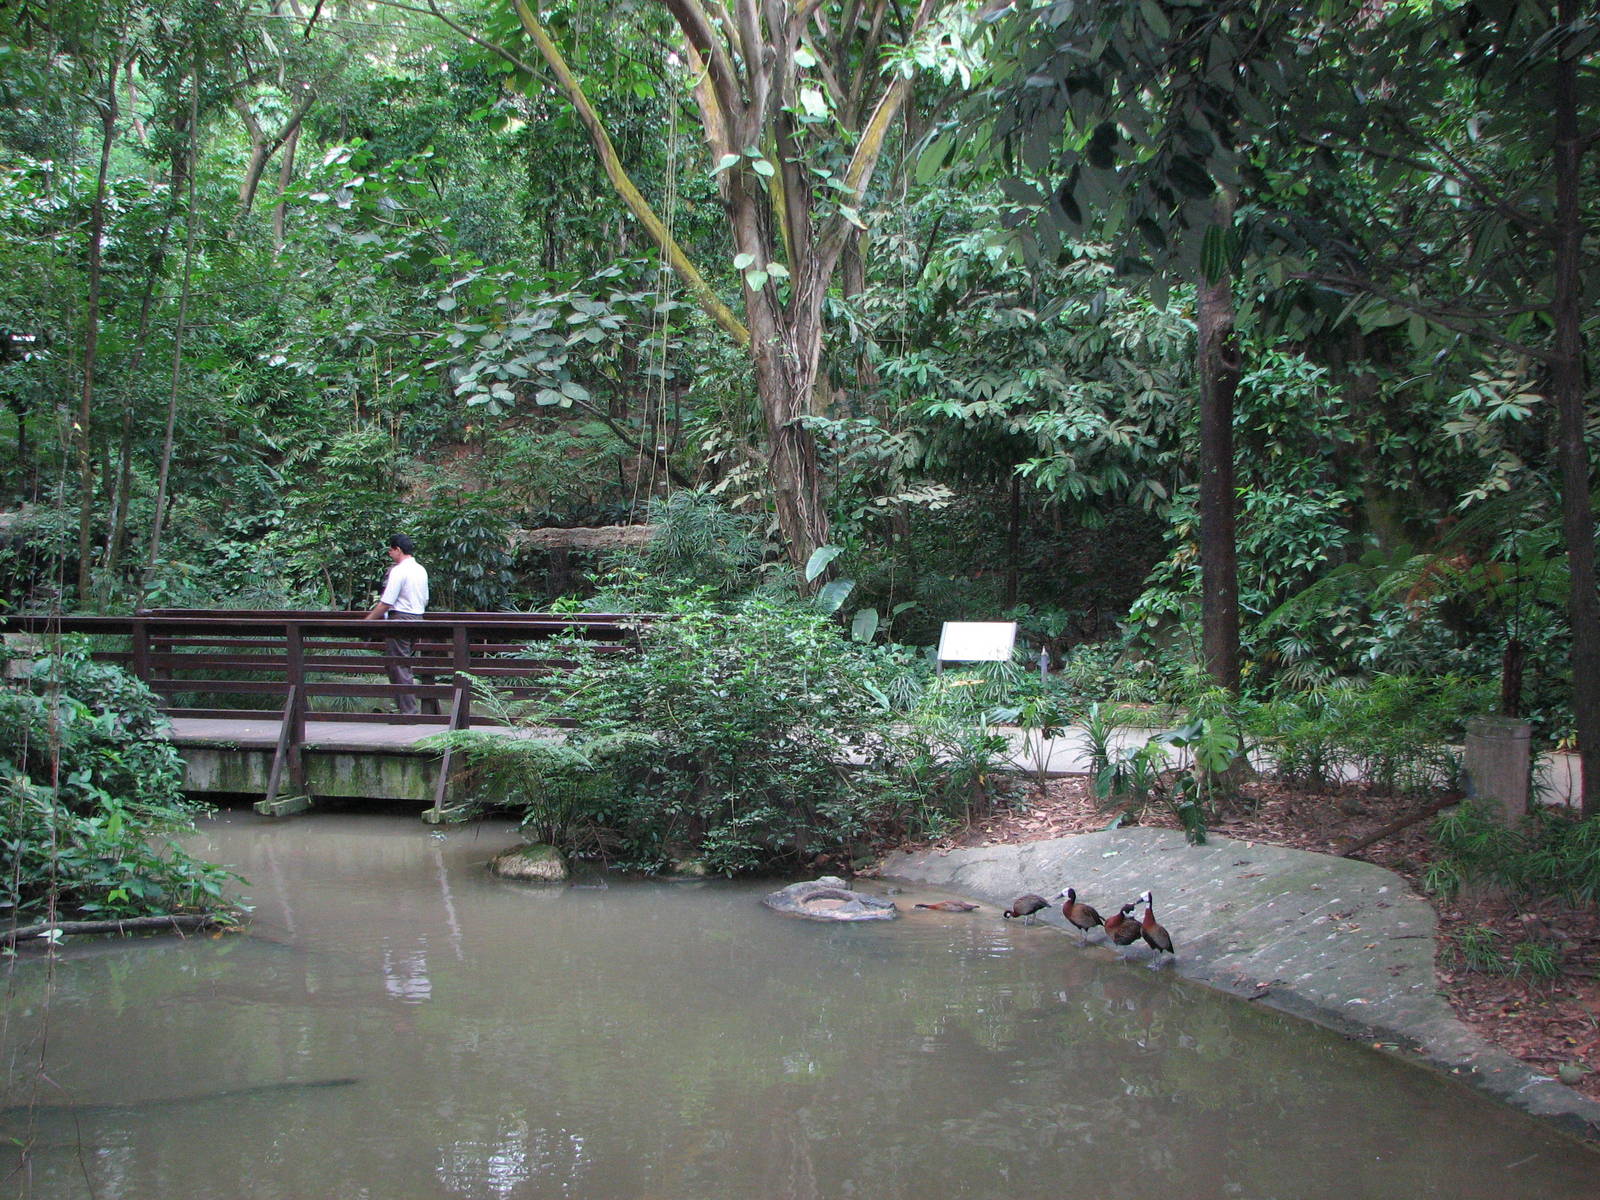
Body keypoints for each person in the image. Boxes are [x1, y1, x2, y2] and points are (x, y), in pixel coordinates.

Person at [364, 534, 429, 715]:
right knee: (401, 664)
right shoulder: (420, 569)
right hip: (418, 618)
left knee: (398, 665)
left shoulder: (399, 571)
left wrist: (367, 622)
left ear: (398, 550)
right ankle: (406, 708)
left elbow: (386, 601)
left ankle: (408, 711)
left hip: (400, 619)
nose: (390, 554)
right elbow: (425, 599)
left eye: (391, 550)